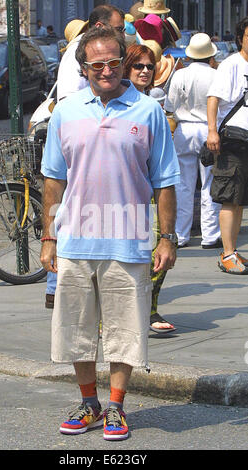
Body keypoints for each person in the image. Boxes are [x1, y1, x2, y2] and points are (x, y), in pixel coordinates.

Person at [40, 26, 180, 440]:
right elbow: (53, 178)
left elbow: (166, 180)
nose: (106, 71)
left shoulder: (148, 110)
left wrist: (167, 237)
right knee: (75, 330)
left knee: (127, 331)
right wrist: (49, 236)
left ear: (124, 63)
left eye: (113, 63)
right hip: (75, 240)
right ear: (82, 68)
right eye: (96, 64)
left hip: (130, 240)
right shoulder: (65, 111)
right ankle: (89, 403)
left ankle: (116, 406)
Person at [45, 5, 126, 309]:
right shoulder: (83, 55)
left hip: (85, 126)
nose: (121, 33)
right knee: (69, 204)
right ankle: (57, 284)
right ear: (101, 27)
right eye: (117, 28)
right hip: (78, 131)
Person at [123, 44, 176, 334]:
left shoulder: (152, 103)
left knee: (164, 247)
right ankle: (112, 317)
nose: (145, 71)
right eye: (138, 66)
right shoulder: (117, 103)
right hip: (121, 196)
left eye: (149, 66)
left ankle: (148, 308)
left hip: (152, 191)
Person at [164, 33, 222, 250]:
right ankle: (210, 235)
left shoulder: (181, 75)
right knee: (209, 184)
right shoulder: (217, 75)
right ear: (210, 55)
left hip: (185, 129)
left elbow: (170, 107)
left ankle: (181, 234)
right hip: (210, 129)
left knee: (183, 185)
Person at [207, 17, 248, 274]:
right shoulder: (232, 64)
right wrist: (212, 131)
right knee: (229, 197)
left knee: (240, 199)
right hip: (232, 139)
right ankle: (228, 253)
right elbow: (214, 98)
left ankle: (231, 253)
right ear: (240, 38)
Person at [57, 4, 125, 102]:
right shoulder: (77, 50)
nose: (122, 35)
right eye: (118, 29)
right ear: (99, 26)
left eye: (114, 62)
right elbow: (68, 96)